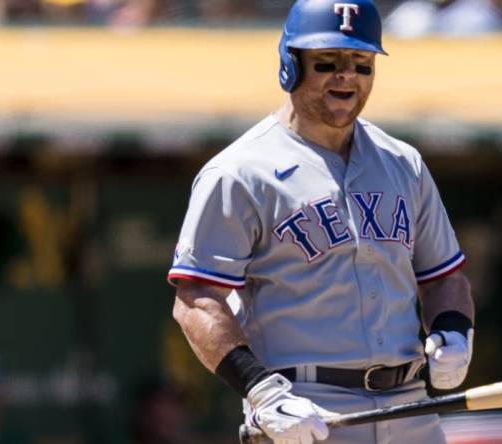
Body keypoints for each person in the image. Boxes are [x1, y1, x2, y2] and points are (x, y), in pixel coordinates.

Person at [168, 0, 475, 442]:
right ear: (290, 66)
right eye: (327, 61)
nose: (346, 75)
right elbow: (197, 299)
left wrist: (453, 330)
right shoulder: (239, 171)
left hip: (410, 404)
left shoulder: (402, 162)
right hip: (306, 408)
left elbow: (444, 276)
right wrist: (260, 390)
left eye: (361, 63)